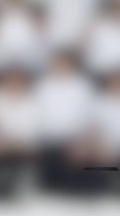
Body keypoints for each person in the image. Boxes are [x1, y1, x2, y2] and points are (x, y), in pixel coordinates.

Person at [33, 50, 96, 190]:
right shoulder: (44, 85)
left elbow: (89, 116)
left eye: (67, 63)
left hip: (76, 140)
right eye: (60, 63)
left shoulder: (83, 86)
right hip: (48, 139)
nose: (63, 66)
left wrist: (83, 141)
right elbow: (37, 115)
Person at [0, 68, 38, 197]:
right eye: (10, 82)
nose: (13, 85)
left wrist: (7, 143)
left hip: (23, 146)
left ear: (25, 84)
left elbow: (30, 134)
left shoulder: (33, 103)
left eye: (17, 82)